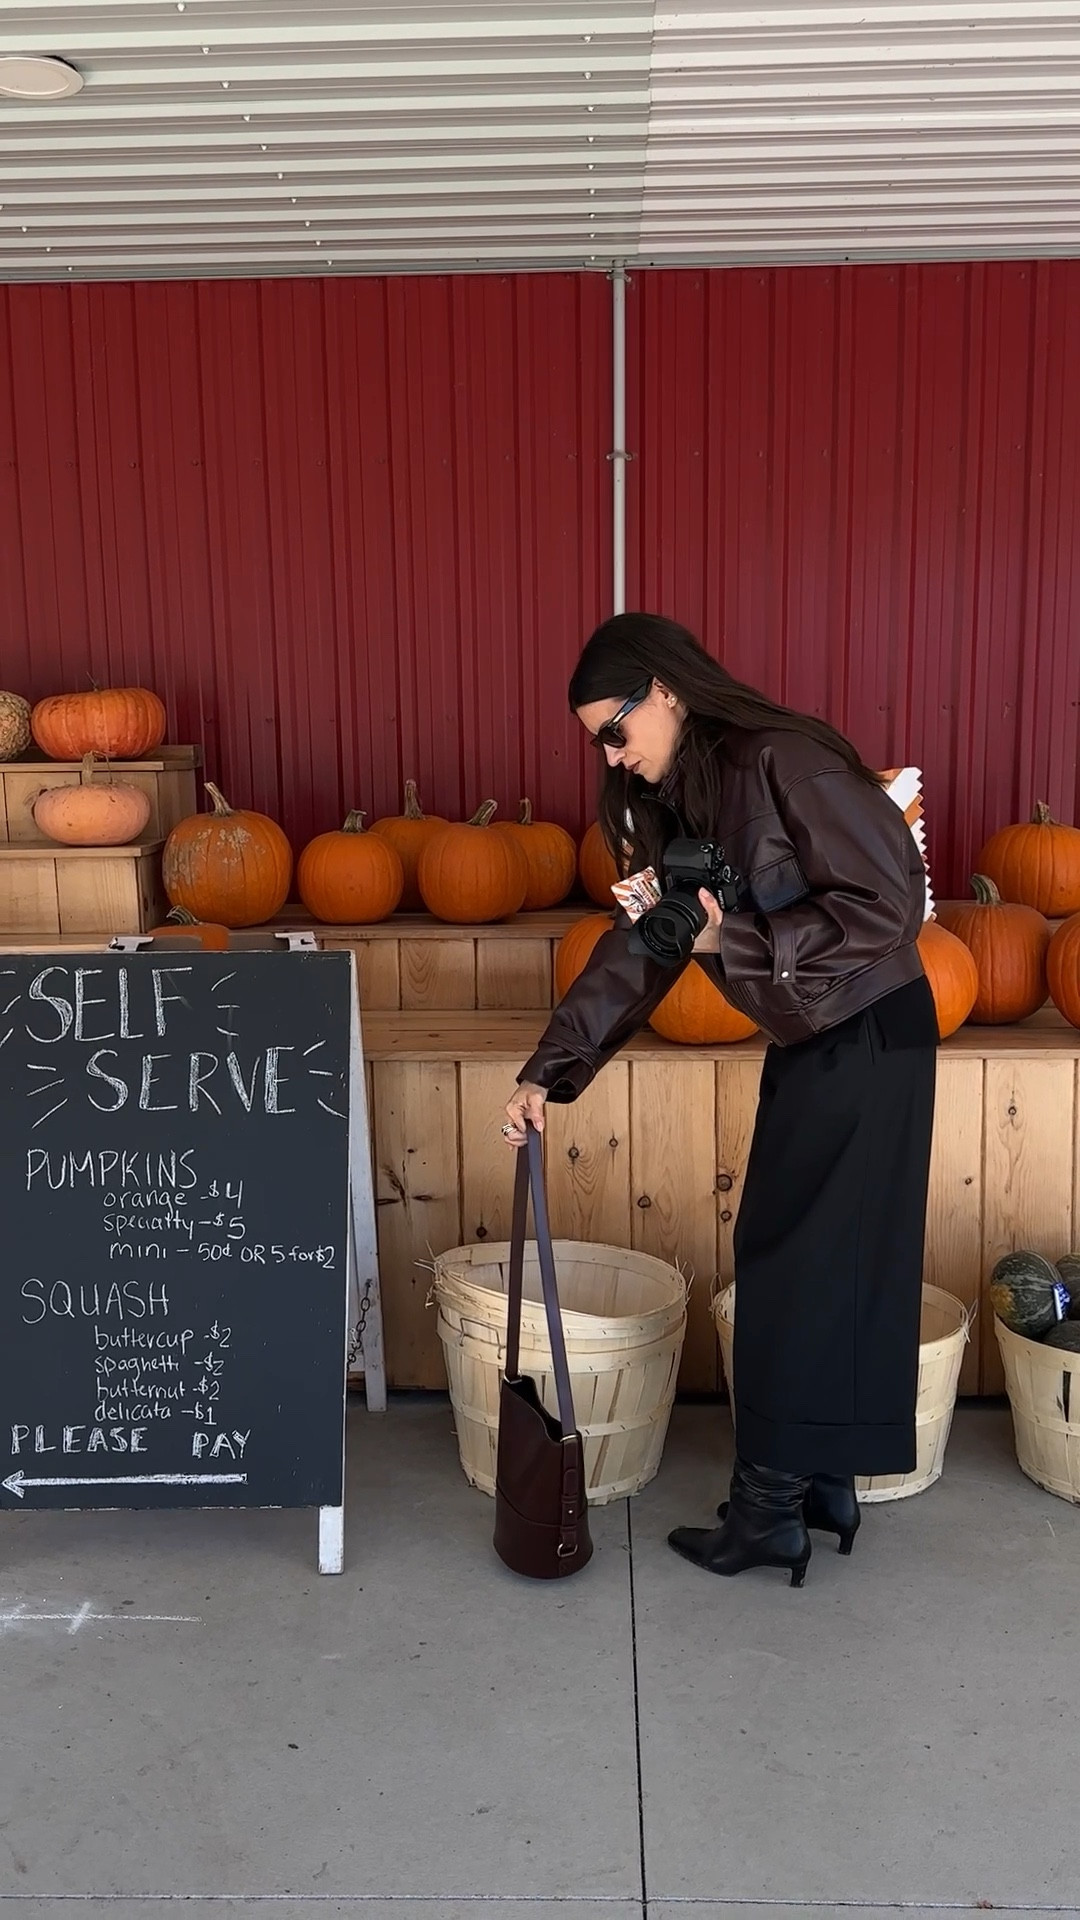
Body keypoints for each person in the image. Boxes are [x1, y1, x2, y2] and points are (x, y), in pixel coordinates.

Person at [502, 613, 938, 1589]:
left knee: (794, 1262)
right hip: (824, 1034)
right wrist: (551, 1072)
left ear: (663, 690)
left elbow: (887, 902)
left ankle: (769, 1512)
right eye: (597, 744)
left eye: (615, 731)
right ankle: (824, 1483)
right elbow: (648, 947)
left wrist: (726, 944)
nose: (611, 757)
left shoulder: (783, 756)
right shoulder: (692, 790)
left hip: (868, 1031)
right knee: (827, 1256)